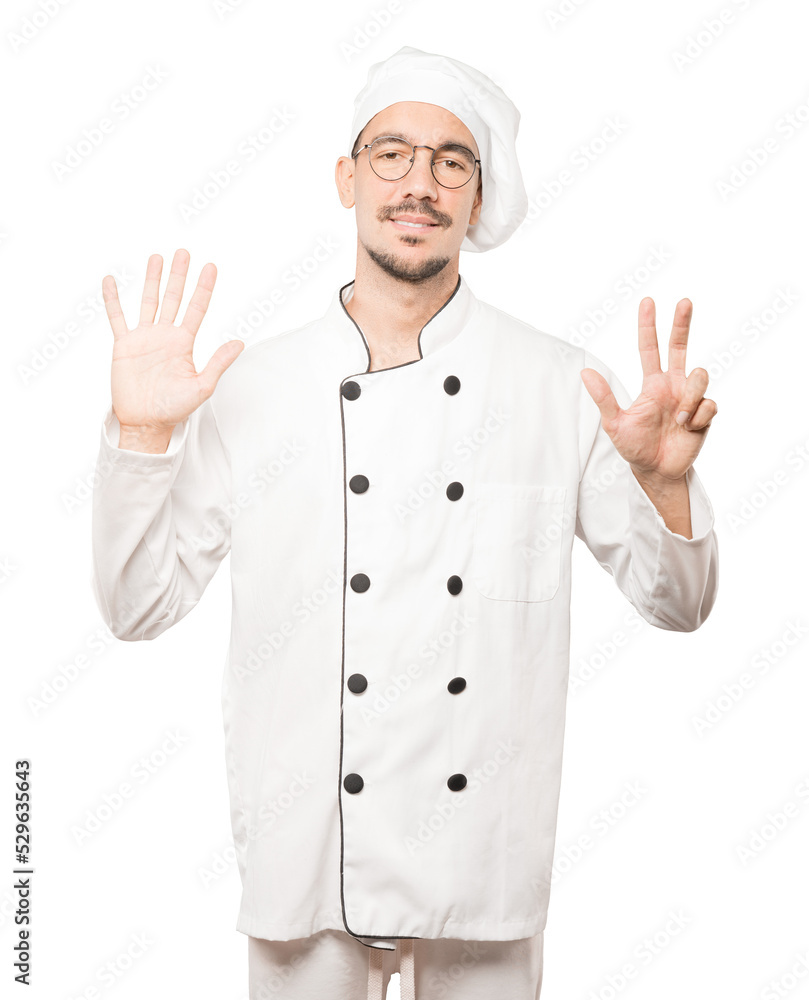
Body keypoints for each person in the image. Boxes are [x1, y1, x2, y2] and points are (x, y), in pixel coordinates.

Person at [91, 46, 719, 1000]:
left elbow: (680, 606)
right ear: (347, 179)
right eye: (390, 154)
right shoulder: (253, 387)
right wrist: (143, 435)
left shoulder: (559, 385)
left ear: (478, 196)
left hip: (482, 869)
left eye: (450, 161)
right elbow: (136, 607)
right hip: (307, 864)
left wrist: (665, 487)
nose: (418, 183)